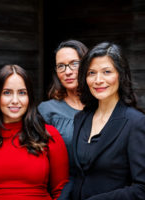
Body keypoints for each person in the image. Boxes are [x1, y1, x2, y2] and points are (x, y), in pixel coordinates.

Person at [68, 42, 145, 200]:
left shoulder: (135, 123)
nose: (98, 80)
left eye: (107, 72)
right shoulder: (81, 118)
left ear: (120, 75)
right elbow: (75, 176)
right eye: (91, 73)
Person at [0, 65, 69, 200]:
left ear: (29, 97)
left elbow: (61, 192)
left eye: (22, 93)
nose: (15, 100)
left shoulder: (48, 135)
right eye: (7, 92)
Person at [38, 40, 88, 178]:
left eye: (74, 64)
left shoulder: (101, 106)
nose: (67, 72)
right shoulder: (46, 110)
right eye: (61, 66)